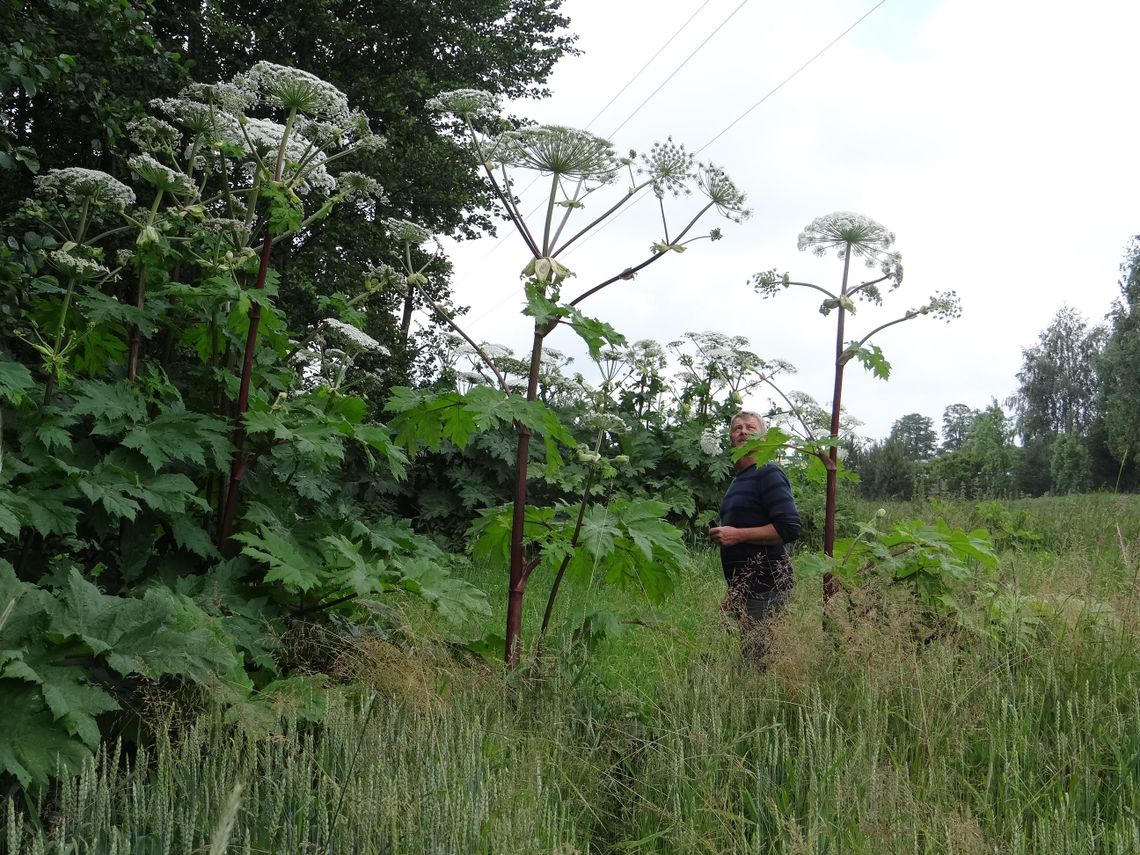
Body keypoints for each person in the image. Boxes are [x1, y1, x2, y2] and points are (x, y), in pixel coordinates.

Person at [709, 411, 802, 660]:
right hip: (747, 588)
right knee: (754, 660)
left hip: (768, 587)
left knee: (756, 666)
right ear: (730, 438)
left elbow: (790, 527)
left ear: (764, 439)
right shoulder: (738, 481)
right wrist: (735, 590)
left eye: (751, 427)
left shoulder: (768, 473)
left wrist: (737, 535)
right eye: (737, 428)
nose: (743, 431)